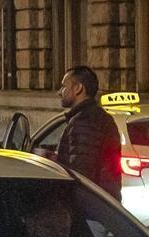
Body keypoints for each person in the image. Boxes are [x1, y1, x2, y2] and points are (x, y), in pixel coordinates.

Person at [52, 65, 123, 197]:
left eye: (64, 86)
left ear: (78, 88)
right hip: (105, 202)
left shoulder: (83, 122)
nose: (60, 92)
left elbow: (81, 173)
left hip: (93, 204)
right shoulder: (100, 117)